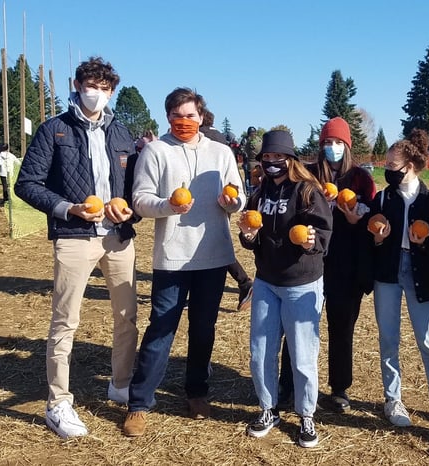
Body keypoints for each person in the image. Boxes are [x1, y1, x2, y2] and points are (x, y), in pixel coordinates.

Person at [14, 57, 139, 439]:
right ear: (77, 84)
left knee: (126, 315)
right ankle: (58, 403)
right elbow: (27, 183)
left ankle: (121, 383)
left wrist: (127, 208)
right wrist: (68, 209)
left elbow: (133, 186)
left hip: (117, 238)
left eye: (104, 87)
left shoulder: (122, 132)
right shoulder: (55, 129)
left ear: (112, 91)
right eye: (91, 85)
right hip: (73, 236)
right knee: (65, 320)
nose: (96, 93)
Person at [122, 87, 246, 437]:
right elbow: (141, 200)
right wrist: (167, 207)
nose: (184, 122)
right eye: (177, 116)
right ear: (168, 118)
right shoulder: (155, 152)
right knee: (161, 329)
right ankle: (139, 403)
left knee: (203, 328)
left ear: (202, 117)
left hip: (213, 256)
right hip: (172, 258)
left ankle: (196, 392)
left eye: (190, 115)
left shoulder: (221, 153)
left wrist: (230, 202)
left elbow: (239, 196)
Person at [239, 130, 332, 448]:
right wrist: (248, 235)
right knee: (261, 351)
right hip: (266, 281)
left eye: (278, 157)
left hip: (301, 283)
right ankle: (268, 409)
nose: (271, 162)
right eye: (266, 157)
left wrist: (311, 240)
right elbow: (251, 235)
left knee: (303, 354)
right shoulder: (259, 190)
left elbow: (323, 232)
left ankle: (306, 414)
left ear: (290, 159)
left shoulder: (307, 190)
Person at [364, 128, 429, 431]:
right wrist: (378, 240)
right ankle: (393, 399)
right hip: (387, 273)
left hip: (420, 274)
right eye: (386, 166)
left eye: (393, 167)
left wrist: (424, 244)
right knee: (389, 339)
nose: (387, 171)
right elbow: (368, 237)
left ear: (411, 167)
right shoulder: (381, 199)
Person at [279, 117, 376, 412]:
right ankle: (289, 385)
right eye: (327, 143)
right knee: (298, 326)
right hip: (310, 261)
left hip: (346, 264)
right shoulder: (307, 175)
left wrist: (356, 219)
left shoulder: (361, 178)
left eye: (338, 143)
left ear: (347, 146)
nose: (332, 148)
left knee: (342, 326)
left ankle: (339, 388)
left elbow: (373, 218)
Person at [200, 109, 254, 311]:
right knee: (213, 243)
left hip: (212, 198)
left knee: (213, 245)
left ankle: (244, 282)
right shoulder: (221, 136)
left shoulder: (205, 137)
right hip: (227, 195)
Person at [242, 126, 262, 194]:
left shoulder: (245, 141)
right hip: (257, 163)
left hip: (248, 162)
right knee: (256, 177)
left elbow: (242, 150)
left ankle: (248, 192)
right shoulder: (259, 140)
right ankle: (256, 191)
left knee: (247, 178)